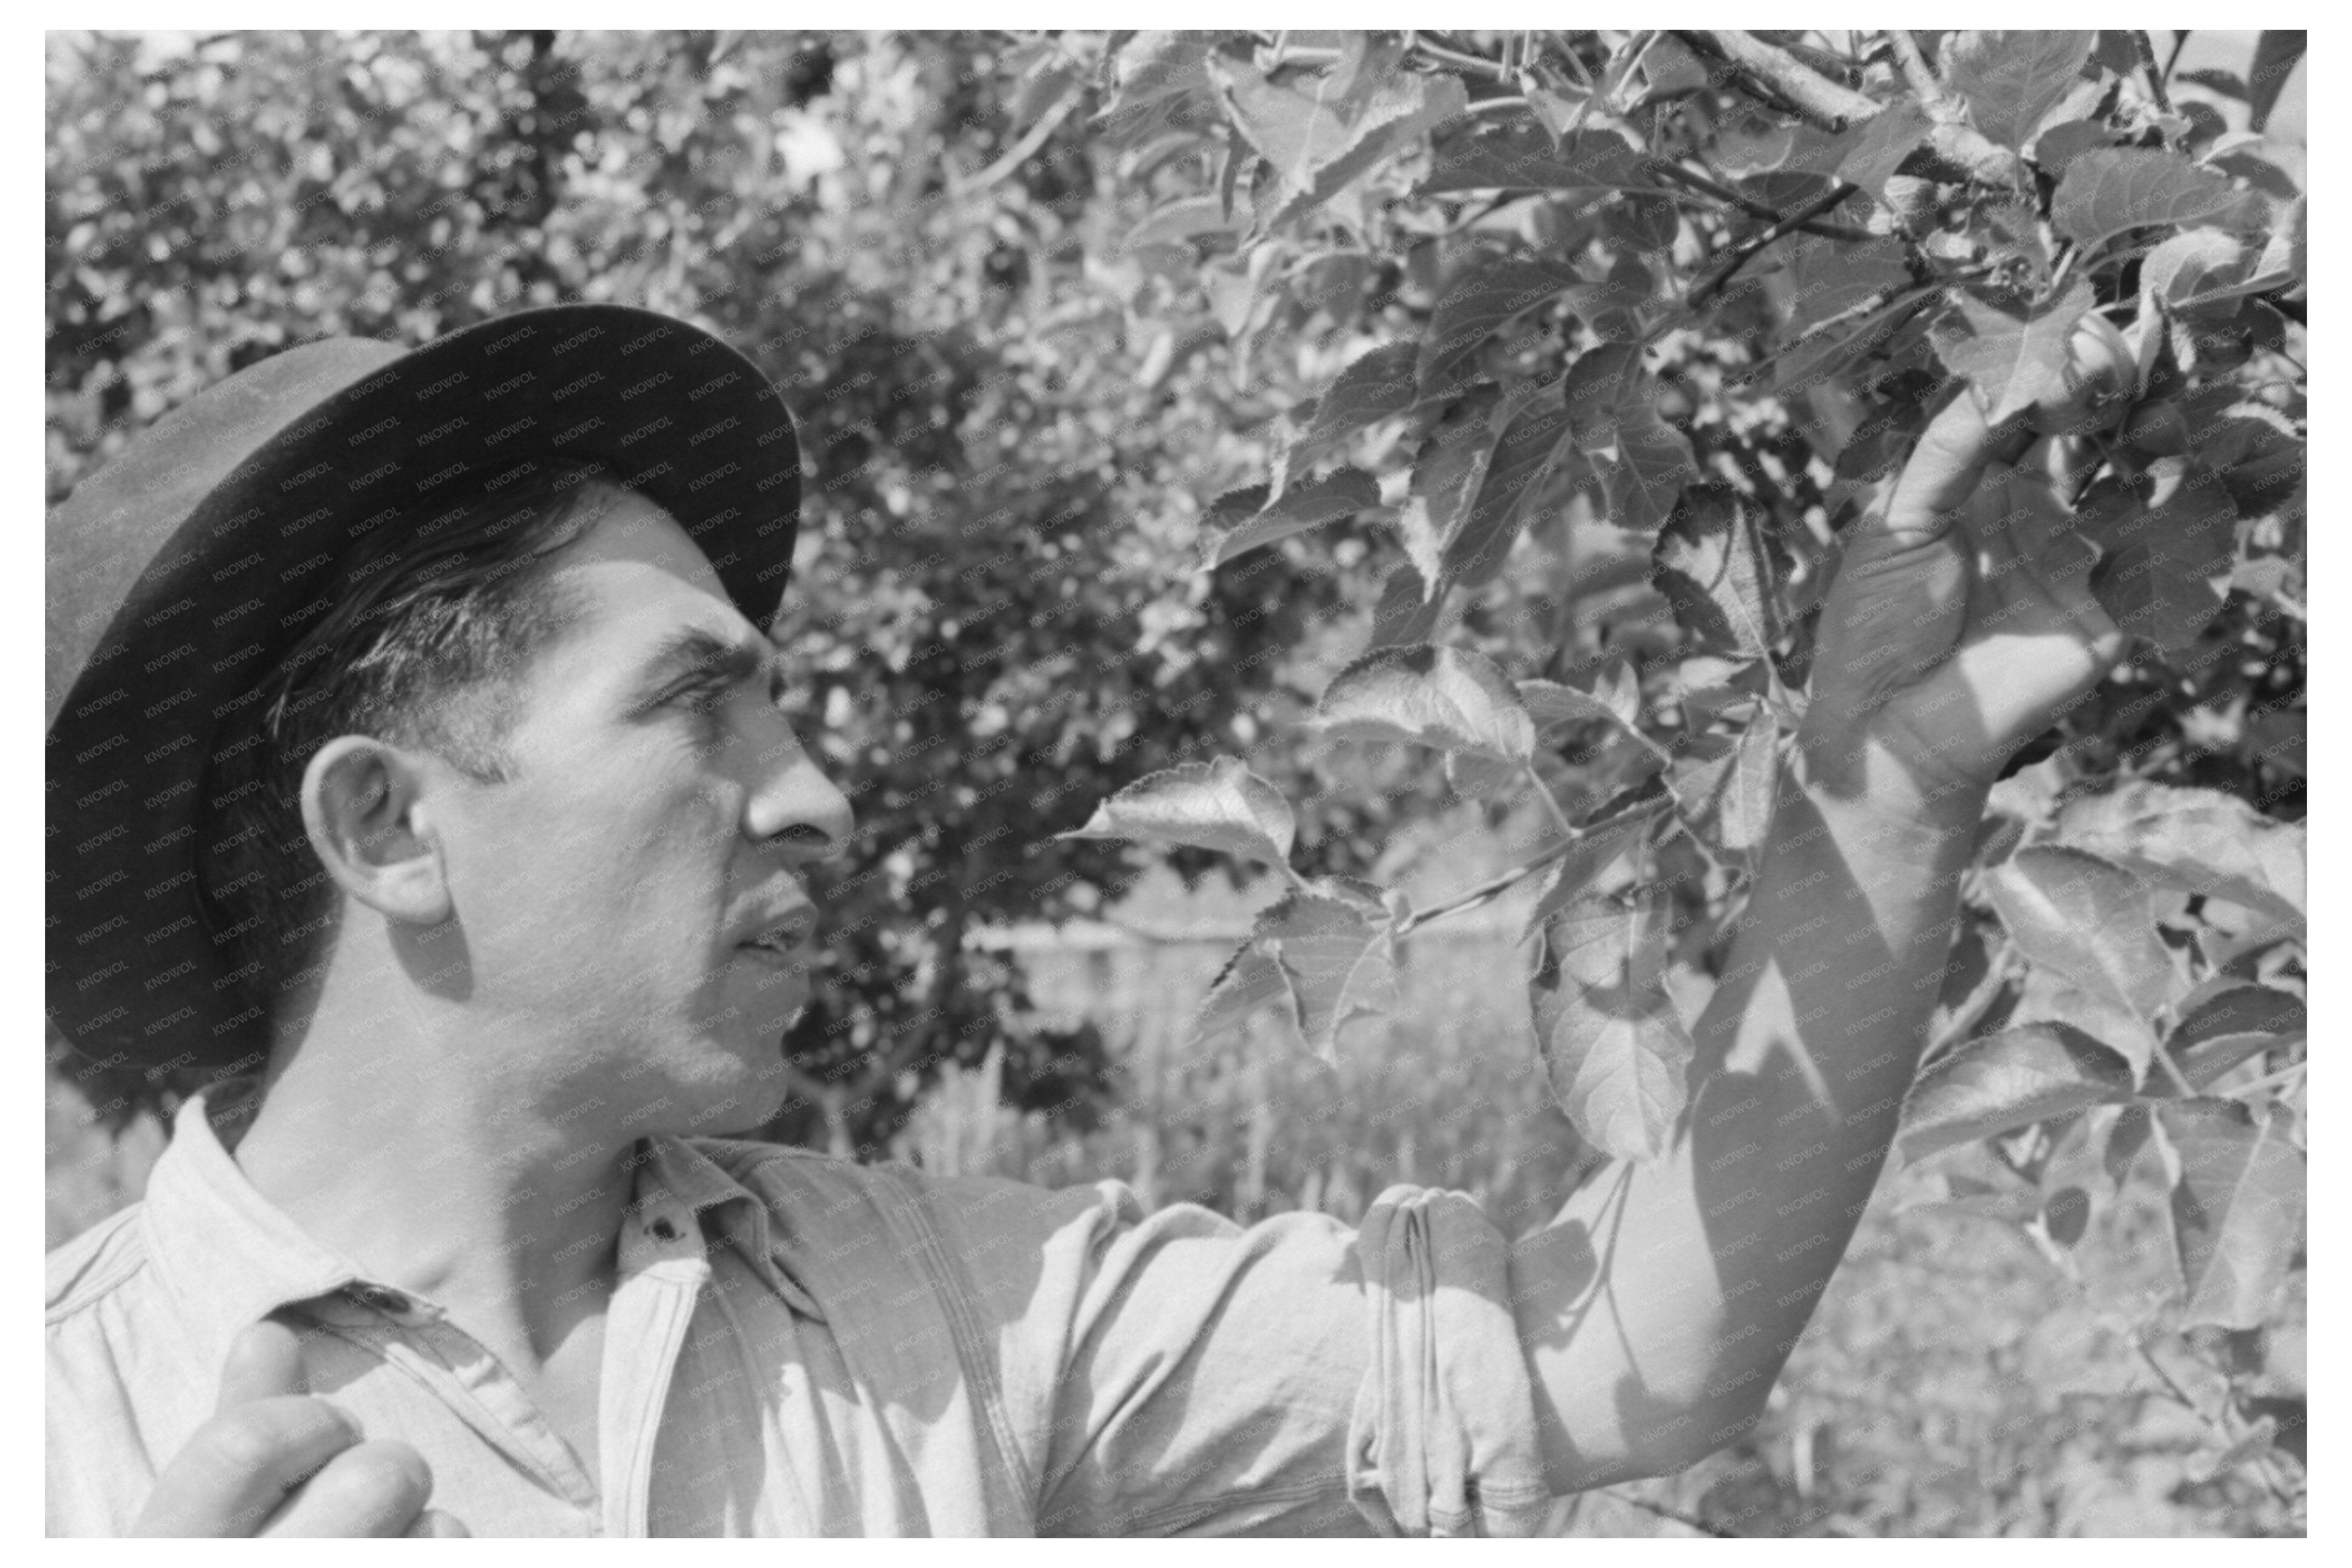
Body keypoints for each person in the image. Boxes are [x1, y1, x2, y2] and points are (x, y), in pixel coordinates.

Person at [45, 303, 2127, 1537]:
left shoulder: (950, 1311)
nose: (822, 795)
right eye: (699, 704)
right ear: (389, 824)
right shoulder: (62, 1441)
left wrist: (1893, 776)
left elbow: (1631, 1351)